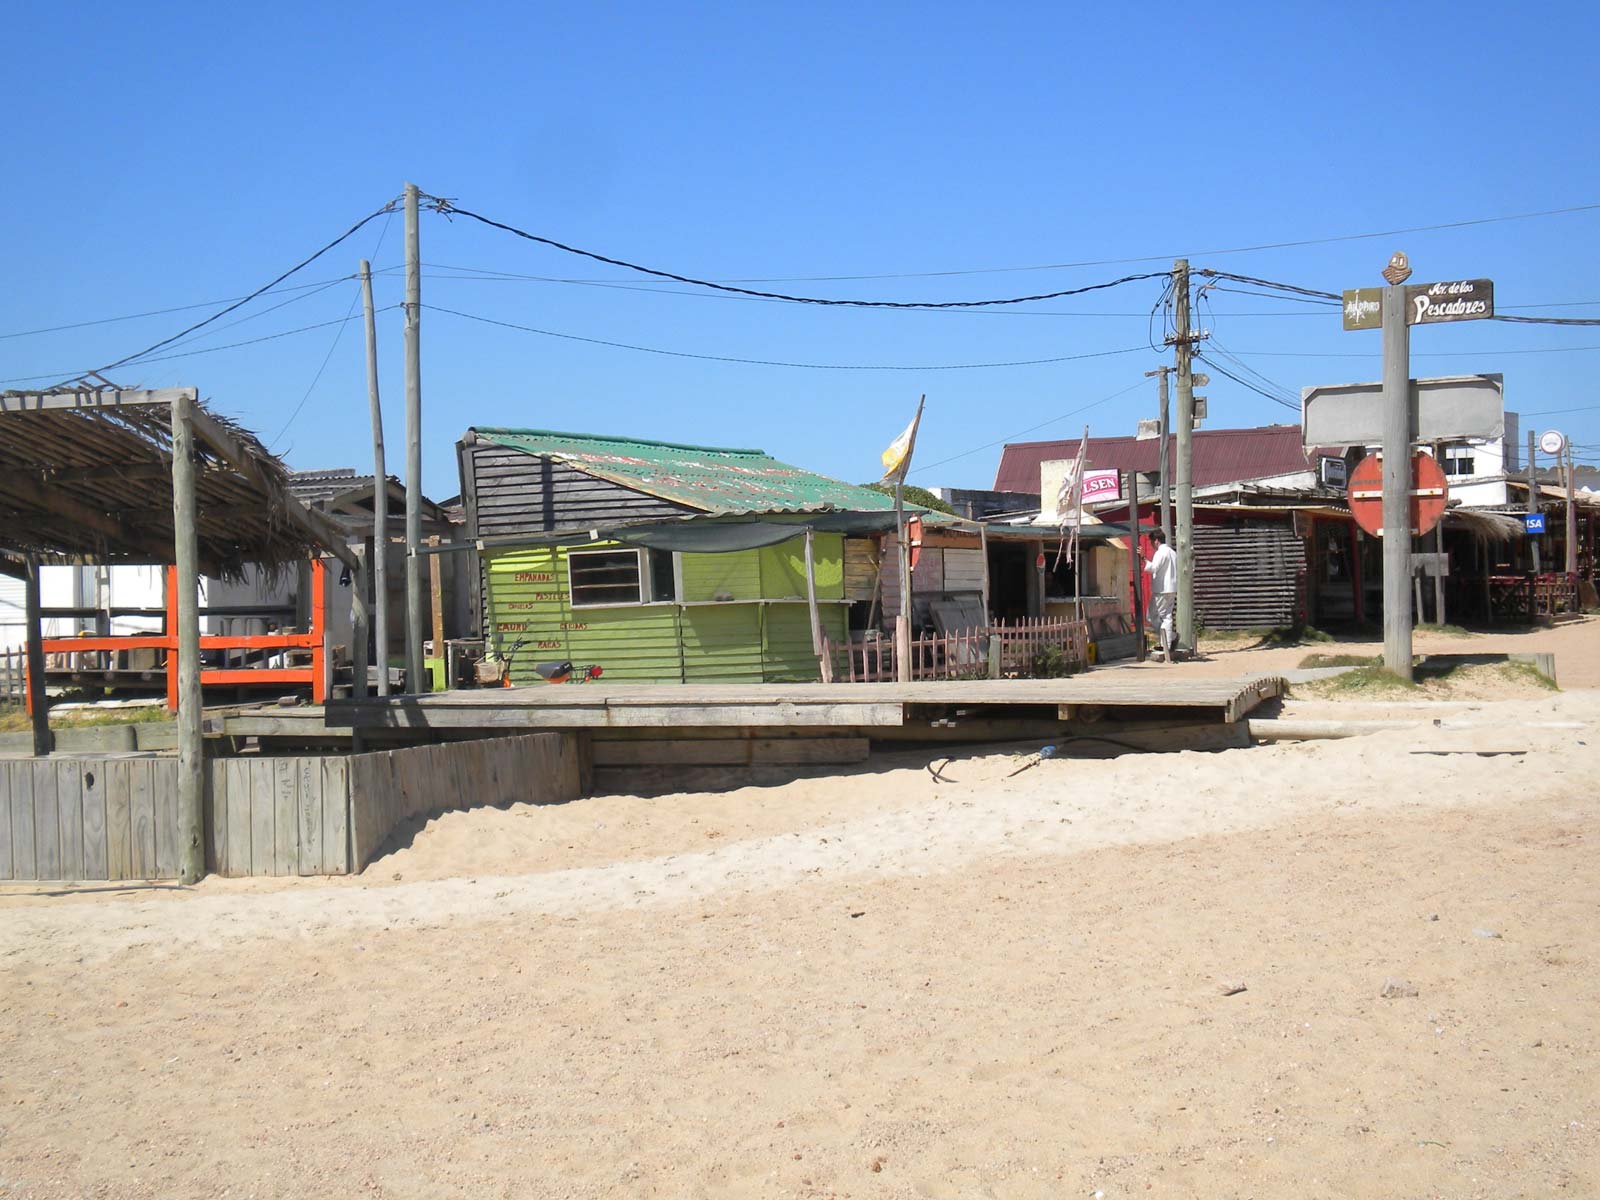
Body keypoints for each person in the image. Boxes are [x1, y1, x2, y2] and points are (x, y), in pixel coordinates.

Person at [1140, 530, 1178, 662]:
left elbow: (1153, 568)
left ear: (1156, 540)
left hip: (1161, 589)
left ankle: (1167, 641)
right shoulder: (1173, 553)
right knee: (1166, 616)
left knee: (1153, 616)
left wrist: (1144, 559)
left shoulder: (1160, 552)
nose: (1151, 544)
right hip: (1172, 588)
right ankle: (1168, 640)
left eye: (1152, 541)